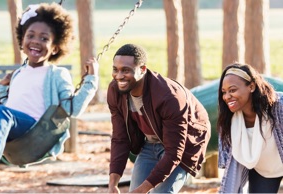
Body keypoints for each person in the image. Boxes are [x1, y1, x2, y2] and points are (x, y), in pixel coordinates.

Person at [0, 2, 99, 192]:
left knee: (0, 113)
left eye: (44, 38)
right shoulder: (18, 73)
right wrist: (2, 89)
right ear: (22, 41)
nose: (35, 41)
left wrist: (91, 79)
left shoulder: (56, 74)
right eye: (30, 35)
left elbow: (72, 109)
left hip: (36, 131)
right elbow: (11, 104)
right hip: (14, 128)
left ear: (56, 48)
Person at [106, 44, 211, 193]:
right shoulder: (115, 91)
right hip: (150, 142)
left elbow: (174, 152)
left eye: (126, 70)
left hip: (185, 142)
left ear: (142, 69)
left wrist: (144, 189)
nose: (119, 76)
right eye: (115, 69)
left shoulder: (169, 97)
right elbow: (120, 138)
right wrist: (113, 183)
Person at [217, 63, 283, 193]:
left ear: (251, 87)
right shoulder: (228, 120)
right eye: (224, 92)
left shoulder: (278, 106)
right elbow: (228, 163)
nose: (227, 96)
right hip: (263, 171)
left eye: (232, 90)